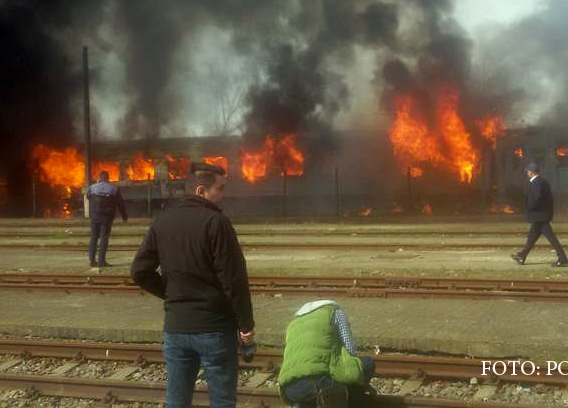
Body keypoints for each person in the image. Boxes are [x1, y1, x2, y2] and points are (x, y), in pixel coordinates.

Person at [130, 162, 255, 408]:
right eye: (220, 188)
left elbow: (139, 271)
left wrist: (172, 295)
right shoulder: (216, 223)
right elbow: (234, 280)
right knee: (222, 401)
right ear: (201, 190)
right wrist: (246, 325)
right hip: (214, 328)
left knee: (176, 402)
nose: (223, 194)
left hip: (176, 328)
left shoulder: (162, 222)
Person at [278, 300, 376, 408]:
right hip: (315, 384)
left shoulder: (293, 323)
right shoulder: (334, 312)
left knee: (307, 394)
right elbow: (350, 350)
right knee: (367, 364)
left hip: (289, 390)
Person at [512, 162, 568, 267]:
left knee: (551, 238)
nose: (527, 173)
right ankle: (522, 255)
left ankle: (563, 258)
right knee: (532, 236)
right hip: (542, 215)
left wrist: (530, 208)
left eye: (528, 171)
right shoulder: (543, 181)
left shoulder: (536, 182)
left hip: (539, 215)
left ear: (532, 172)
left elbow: (537, 198)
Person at [86, 170, 127, 268]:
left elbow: (88, 197)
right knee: (104, 237)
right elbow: (120, 203)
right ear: (108, 178)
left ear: (99, 178)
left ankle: (92, 261)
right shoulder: (114, 188)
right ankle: (101, 261)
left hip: (95, 216)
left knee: (94, 237)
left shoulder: (92, 187)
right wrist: (124, 216)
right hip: (106, 217)